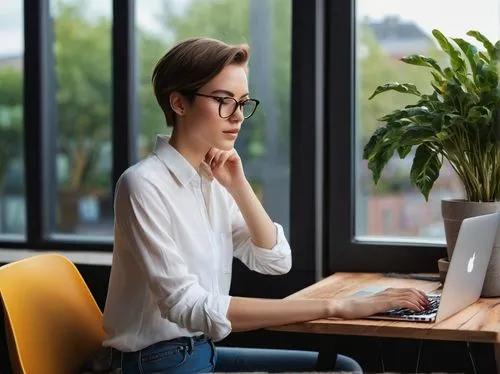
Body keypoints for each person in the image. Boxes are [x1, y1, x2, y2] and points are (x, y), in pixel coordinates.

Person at [101, 37, 430, 373]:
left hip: (203, 350)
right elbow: (189, 305)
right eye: (223, 101)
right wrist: (336, 306)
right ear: (179, 104)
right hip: (157, 362)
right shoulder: (143, 184)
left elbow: (275, 260)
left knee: (342, 368)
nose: (238, 116)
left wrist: (239, 186)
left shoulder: (211, 182)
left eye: (242, 103)